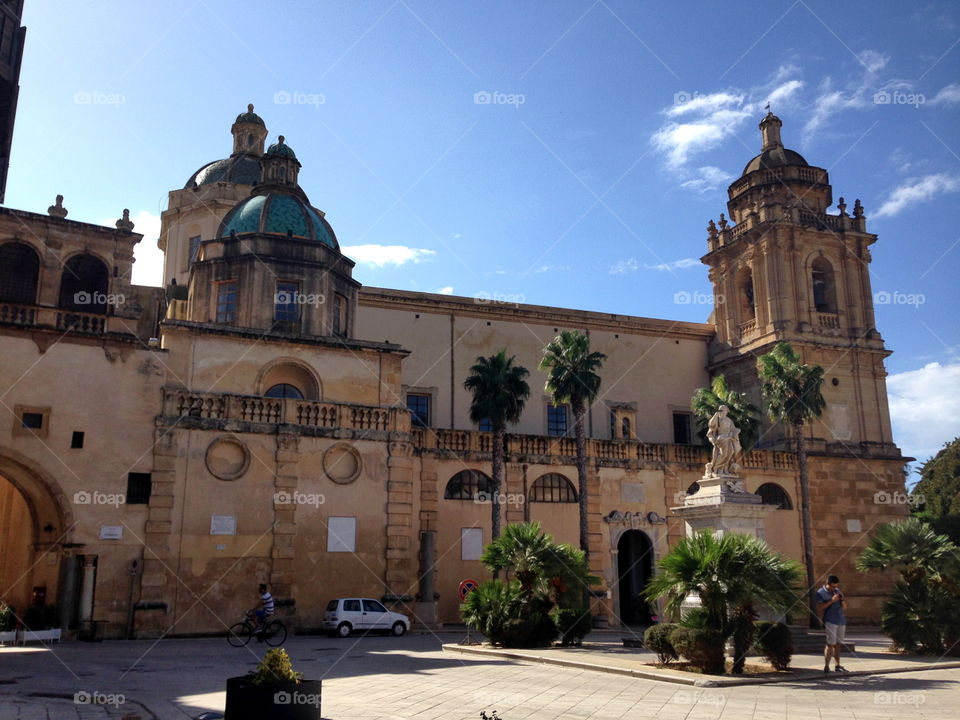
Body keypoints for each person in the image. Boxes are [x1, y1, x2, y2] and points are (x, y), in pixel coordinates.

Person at [816, 575, 848, 673]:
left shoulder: (838, 591)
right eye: (832, 587)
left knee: (838, 644)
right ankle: (826, 666)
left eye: (836, 586)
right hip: (830, 621)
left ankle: (837, 665)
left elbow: (845, 608)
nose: (834, 588)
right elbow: (820, 608)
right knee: (830, 644)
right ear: (827, 584)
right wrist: (831, 601)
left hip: (841, 620)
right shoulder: (820, 593)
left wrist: (842, 600)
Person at [707, 405, 742, 476]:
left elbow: (733, 429)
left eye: (725, 410)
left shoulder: (729, 420)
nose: (724, 412)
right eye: (722, 410)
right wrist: (715, 415)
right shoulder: (717, 419)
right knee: (723, 454)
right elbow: (711, 425)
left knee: (730, 453)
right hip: (721, 438)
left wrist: (736, 431)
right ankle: (716, 468)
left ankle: (724, 469)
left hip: (729, 438)